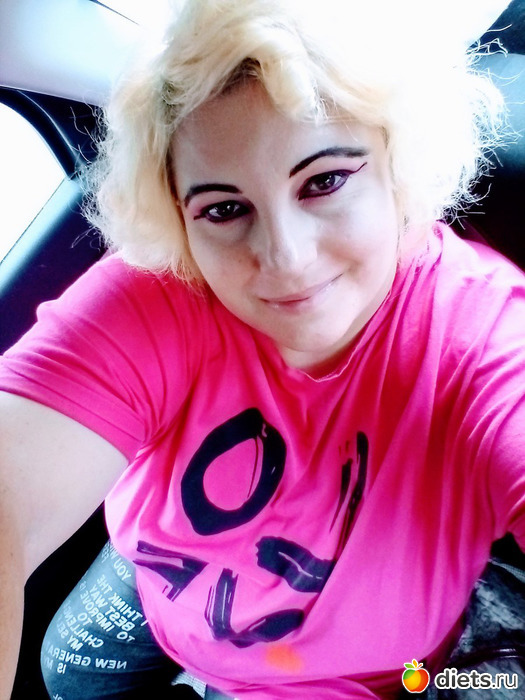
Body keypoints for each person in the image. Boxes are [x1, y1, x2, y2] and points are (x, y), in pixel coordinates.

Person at [0, 0, 523, 698]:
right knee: (66, 675)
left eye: (325, 182)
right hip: (157, 591)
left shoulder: (484, 337)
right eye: (224, 209)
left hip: (349, 680)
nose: (285, 257)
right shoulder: (165, 290)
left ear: (397, 163)